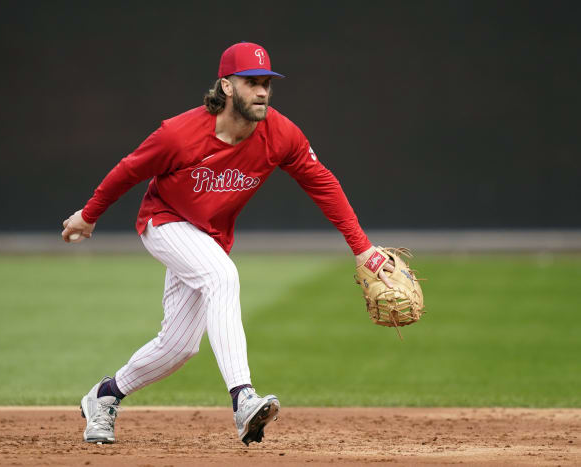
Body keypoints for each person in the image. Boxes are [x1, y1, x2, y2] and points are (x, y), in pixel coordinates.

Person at [61, 41, 395, 446]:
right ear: (226, 86)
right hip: (164, 222)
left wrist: (362, 248)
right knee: (222, 276)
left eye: (266, 83)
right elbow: (130, 169)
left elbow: (321, 182)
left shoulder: (280, 134)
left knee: (179, 347)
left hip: (210, 236)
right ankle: (243, 398)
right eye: (251, 82)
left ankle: (104, 396)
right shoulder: (179, 134)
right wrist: (89, 214)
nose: (262, 91)